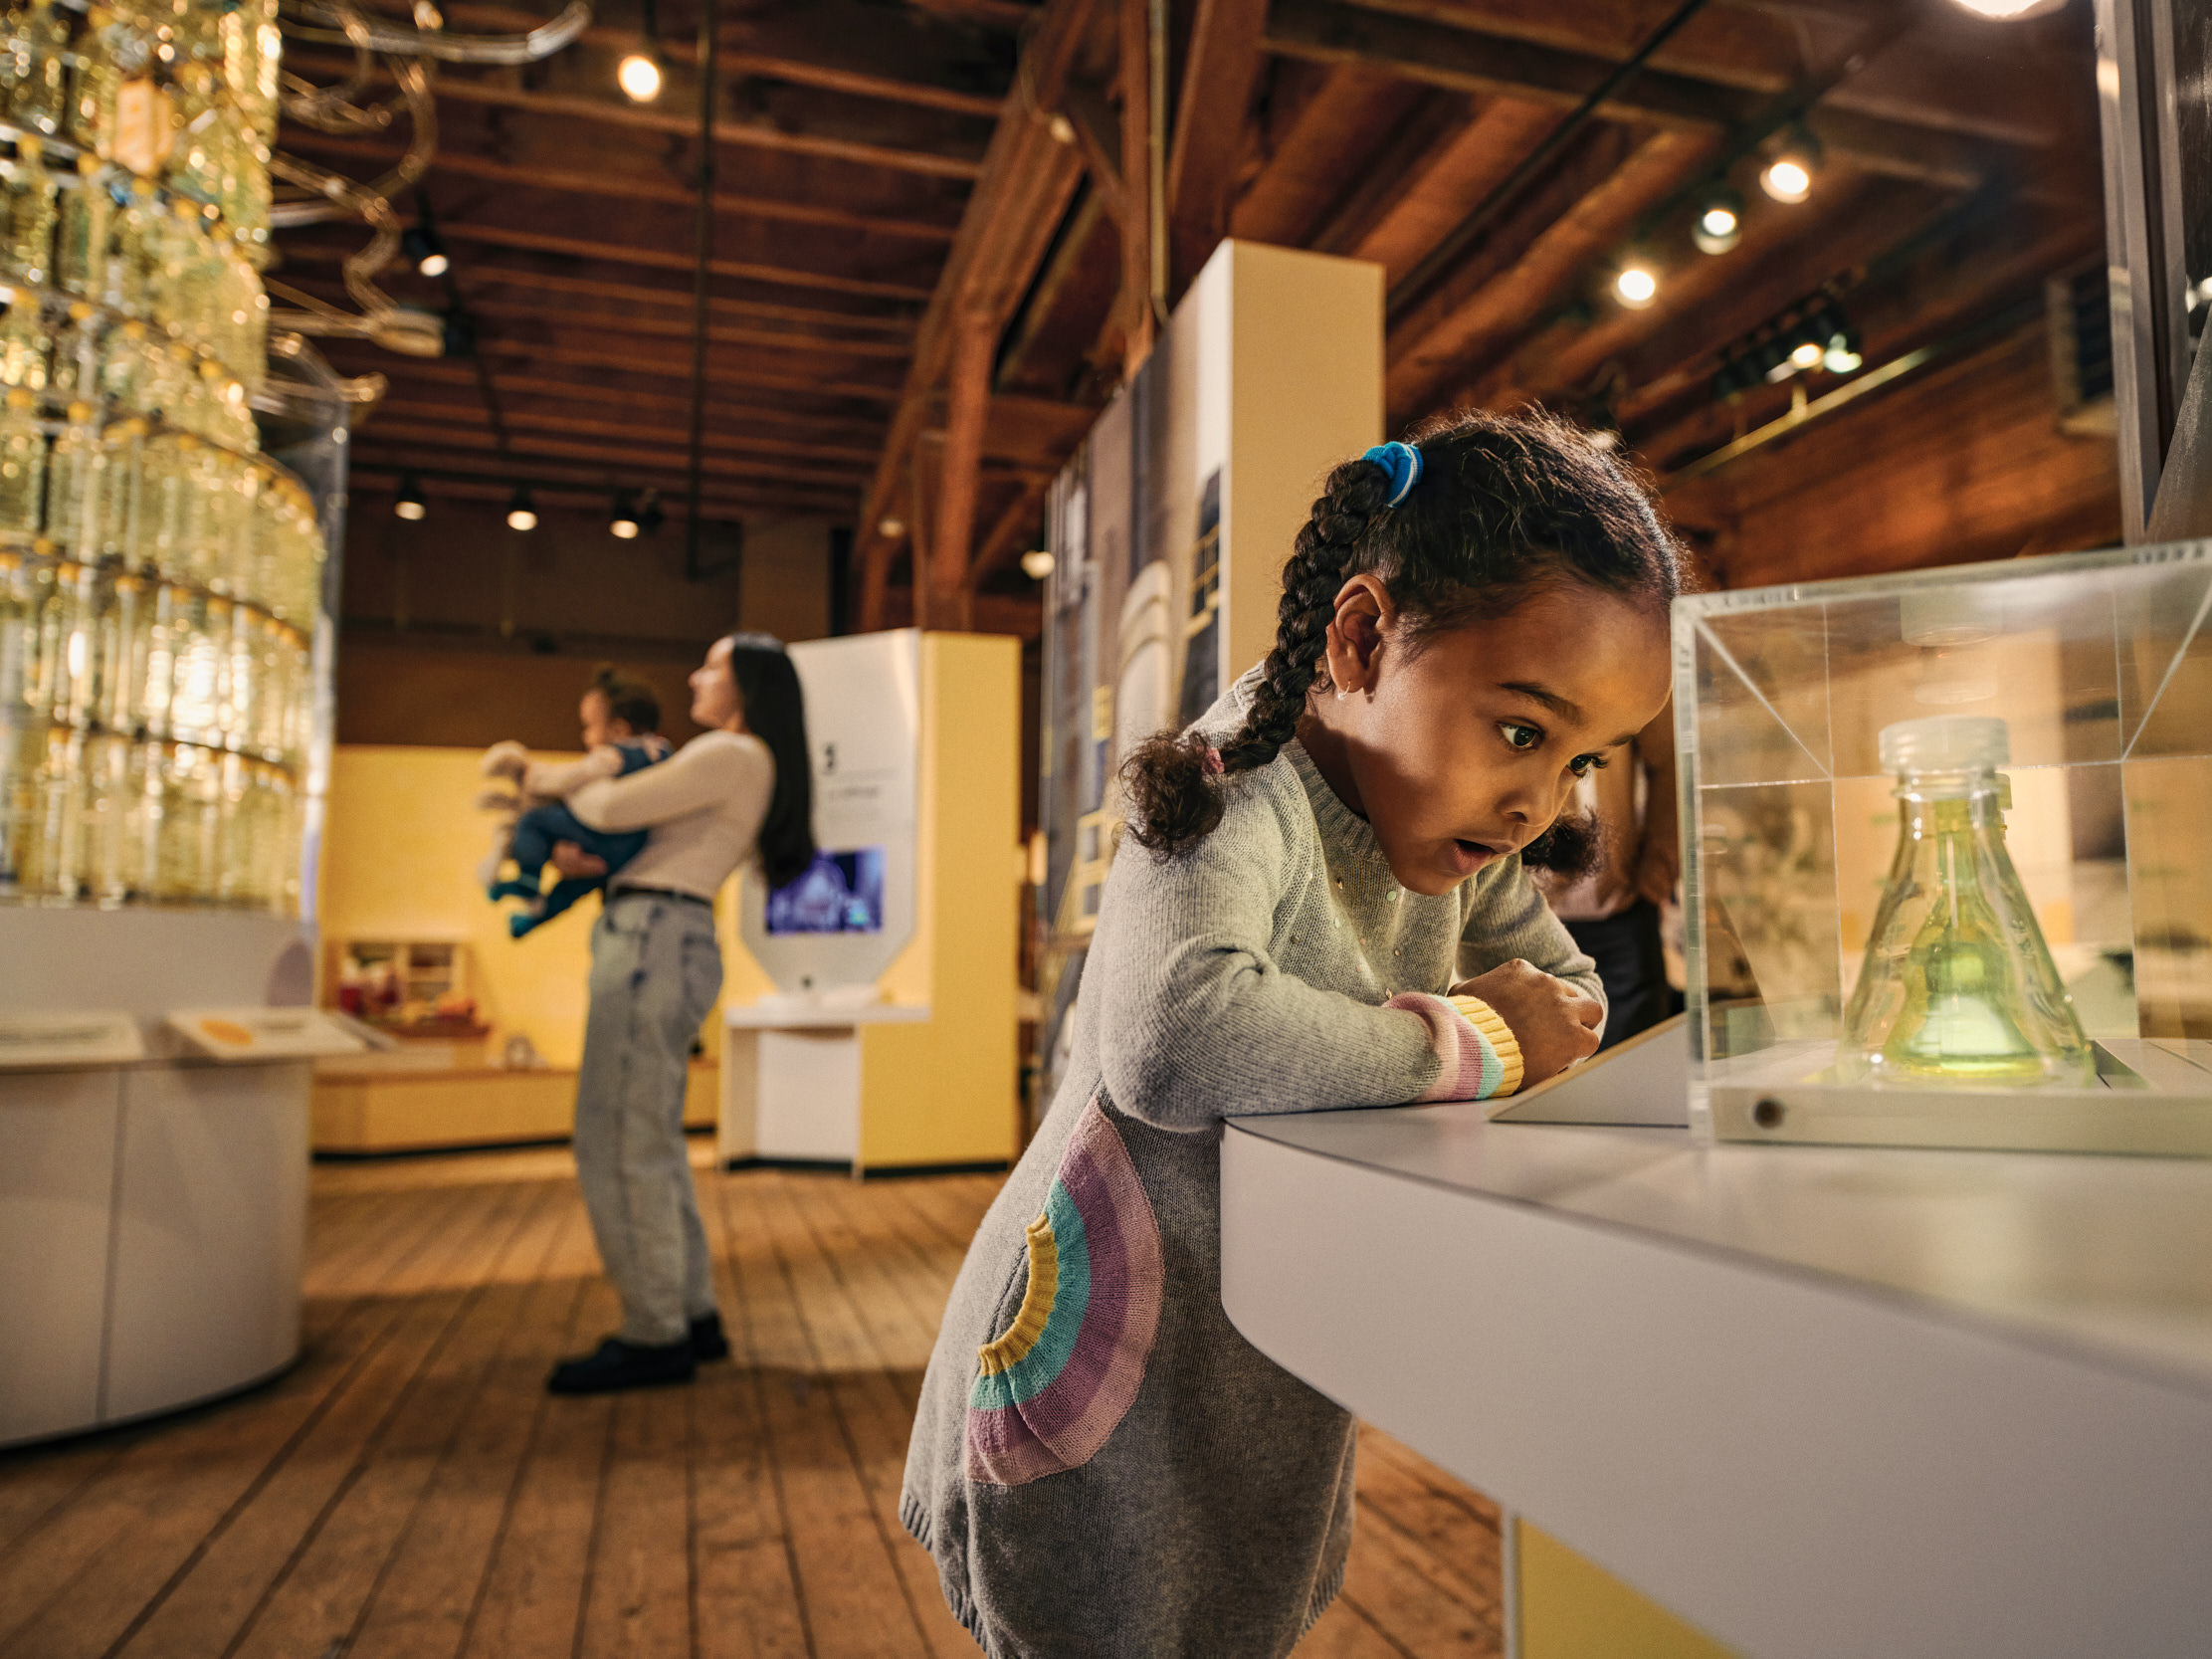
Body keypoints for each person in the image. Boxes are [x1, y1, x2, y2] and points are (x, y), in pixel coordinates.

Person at [901, 410, 1680, 1656]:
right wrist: (1470, 1043)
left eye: (1586, 758)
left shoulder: (1458, 825)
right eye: (1524, 728)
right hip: (1102, 1360)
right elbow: (1172, 1036)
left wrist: (1511, 1023)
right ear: (1364, 637)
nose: (1543, 798)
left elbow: (1567, 994)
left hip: (1257, 1358)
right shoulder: (1231, 775)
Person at [544, 632, 816, 1395]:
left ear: (746, 686)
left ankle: (653, 1329)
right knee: (649, 1137)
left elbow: (607, 803)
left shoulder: (727, 753)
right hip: (667, 934)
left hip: (650, 940)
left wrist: (559, 776)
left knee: (617, 1136)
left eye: (714, 666)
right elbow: (636, 836)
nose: (696, 676)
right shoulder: (743, 760)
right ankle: (686, 1312)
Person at [479, 668, 674, 937]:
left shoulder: (614, 755)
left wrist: (532, 776)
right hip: (628, 853)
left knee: (534, 821)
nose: (585, 737)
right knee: (573, 888)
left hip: (607, 843)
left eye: (589, 726)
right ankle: (532, 919)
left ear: (618, 729)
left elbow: (572, 777)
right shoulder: (663, 754)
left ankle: (528, 881)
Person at [1536, 703, 1683, 1048]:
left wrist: (1656, 871)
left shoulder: (1631, 659)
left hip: (1618, 910)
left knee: (1637, 1058)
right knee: (1542, 1077)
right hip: (1519, 914)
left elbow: (1671, 761)